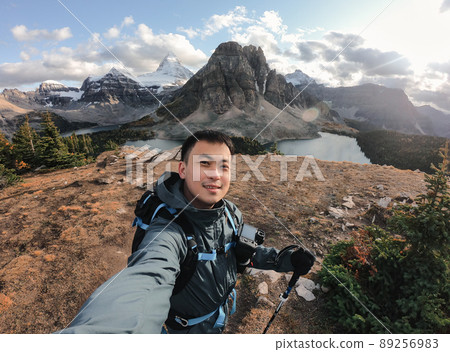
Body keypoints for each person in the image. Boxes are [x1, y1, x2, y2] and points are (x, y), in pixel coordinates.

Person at [59, 130, 315, 334]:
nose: (215, 174)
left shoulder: (230, 212)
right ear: (182, 170)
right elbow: (148, 276)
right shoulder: (169, 230)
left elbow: (243, 252)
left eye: (224, 166)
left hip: (221, 314)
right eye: (204, 163)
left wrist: (286, 260)